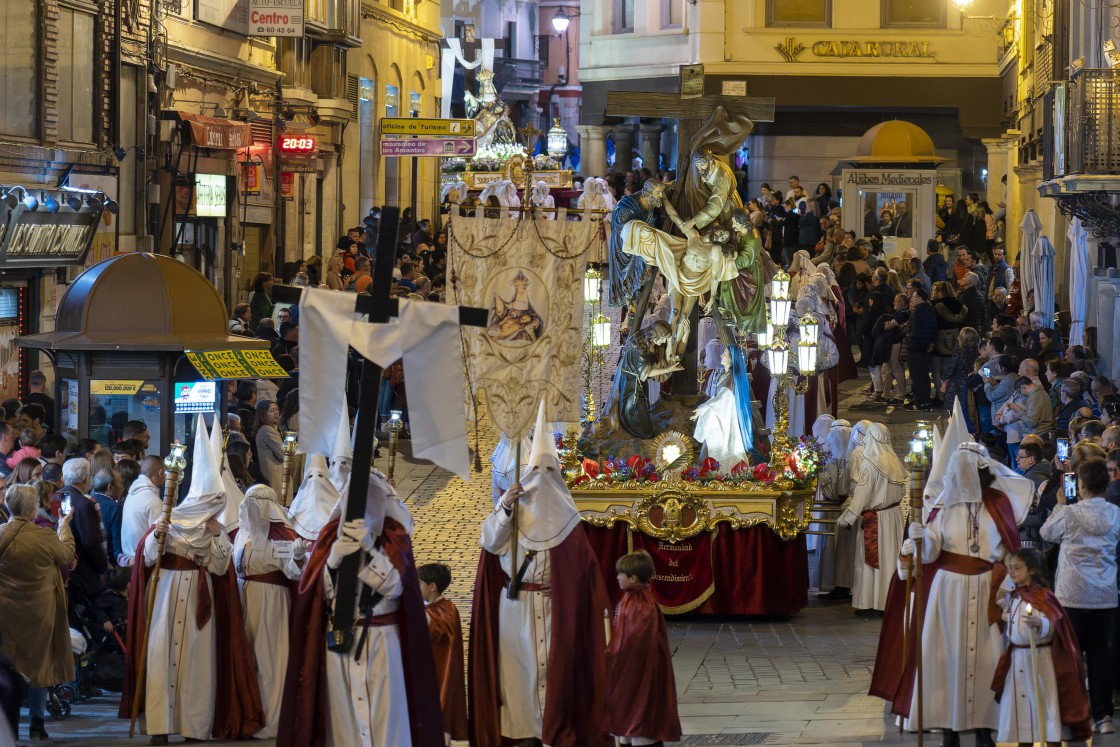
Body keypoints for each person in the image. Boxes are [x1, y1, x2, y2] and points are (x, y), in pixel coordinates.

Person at [470, 402, 611, 747]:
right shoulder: (510, 513)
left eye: (549, 472)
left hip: (552, 610)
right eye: (537, 471)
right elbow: (489, 542)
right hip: (514, 609)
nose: (542, 480)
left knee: (554, 669)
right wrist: (505, 507)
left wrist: (565, 588)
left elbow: (585, 571)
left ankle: (553, 727)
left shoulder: (568, 518)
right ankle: (522, 732)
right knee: (516, 674)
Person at [119, 418, 263, 744]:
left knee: (197, 664)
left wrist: (218, 538)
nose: (215, 509)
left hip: (201, 601)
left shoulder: (214, 528)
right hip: (167, 598)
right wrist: (157, 537)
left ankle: (193, 725)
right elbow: (147, 559)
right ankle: (160, 724)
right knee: (160, 659)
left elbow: (220, 566)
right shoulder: (170, 516)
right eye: (210, 502)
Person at [278, 468, 444, 747]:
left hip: (382, 640)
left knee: (384, 716)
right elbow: (320, 594)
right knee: (343, 717)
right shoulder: (330, 538)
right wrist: (333, 561)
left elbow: (395, 586)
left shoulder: (394, 538)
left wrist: (366, 551)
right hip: (341, 638)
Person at [902, 443, 1033, 746]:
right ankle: (950, 729)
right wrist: (919, 538)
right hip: (949, 593)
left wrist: (1005, 589)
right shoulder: (943, 507)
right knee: (946, 658)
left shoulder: (998, 504)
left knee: (987, 659)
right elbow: (932, 551)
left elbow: (1007, 550)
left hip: (988, 587)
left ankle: (984, 728)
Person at [1040, 457, 1120, 735]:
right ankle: (1103, 717)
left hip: (1072, 595)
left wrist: (1061, 504)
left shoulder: (1070, 513)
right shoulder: (1115, 513)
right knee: (1101, 657)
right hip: (1105, 595)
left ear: (1081, 485)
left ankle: (1074, 715)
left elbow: (1047, 532)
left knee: (1071, 659)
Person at [993, 548, 1092, 745]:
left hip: (1038, 659)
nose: (1012, 572)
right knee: (1019, 707)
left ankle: (1051, 738)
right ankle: (1023, 739)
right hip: (1017, 659)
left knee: (1041, 700)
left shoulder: (1043, 596)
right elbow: (1002, 602)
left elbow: (1055, 622)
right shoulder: (1015, 595)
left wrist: (1040, 624)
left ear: (1031, 570)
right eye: (1010, 568)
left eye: (1017, 568)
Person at [0, 485, 75, 741]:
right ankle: (37, 724)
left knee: (9, 666)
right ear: (33, 508)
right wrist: (64, 526)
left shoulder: (0, 534)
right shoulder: (44, 536)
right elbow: (66, 555)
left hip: (5, 611)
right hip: (40, 610)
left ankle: (8, 727)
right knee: (39, 667)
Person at [233, 485, 306, 739]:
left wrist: (298, 559)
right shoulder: (242, 536)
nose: (250, 508)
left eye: (256, 504)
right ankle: (249, 714)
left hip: (270, 600)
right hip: (244, 596)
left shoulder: (282, 535)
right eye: (248, 503)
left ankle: (272, 719)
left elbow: (295, 574)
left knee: (269, 658)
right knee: (247, 658)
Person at [604, 550, 682, 747]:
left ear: (633, 577)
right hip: (632, 670)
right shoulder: (632, 598)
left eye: (621, 574)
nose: (617, 577)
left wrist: (611, 655)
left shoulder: (640, 604)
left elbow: (634, 639)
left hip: (639, 671)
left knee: (641, 721)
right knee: (630, 721)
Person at [838, 423, 905, 614]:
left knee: (873, 562)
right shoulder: (893, 461)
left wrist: (847, 517)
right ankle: (889, 600)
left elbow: (862, 494)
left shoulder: (870, 462)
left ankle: (874, 603)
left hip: (876, 519)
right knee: (890, 558)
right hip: (893, 517)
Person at [418, 562, 468, 746]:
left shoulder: (447, 609)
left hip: (439, 672)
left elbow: (437, 631)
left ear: (432, 586)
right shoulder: (427, 608)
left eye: (419, 583)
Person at [120, 456, 166, 564]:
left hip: (128, 555)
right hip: (142, 561)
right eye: (164, 473)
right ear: (159, 473)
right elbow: (159, 539)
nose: (165, 477)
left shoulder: (131, 493)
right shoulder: (153, 501)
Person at [904, 285, 937, 412]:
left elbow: (917, 331)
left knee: (917, 376)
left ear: (920, 298)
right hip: (923, 347)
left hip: (916, 348)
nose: (912, 299)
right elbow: (933, 329)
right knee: (923, 375)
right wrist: (930, 344)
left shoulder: (918, 312)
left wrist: (912, 340)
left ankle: (920, 402)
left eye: (914, 297)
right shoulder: (929, 310)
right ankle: (924, 400)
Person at [254, 400, 284, 491]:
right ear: (263, 414)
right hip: (275, 477)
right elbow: (283, 454)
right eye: (271, 411)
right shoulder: (267, 430)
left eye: (277, 410)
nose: (276, 413)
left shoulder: (271, 429)